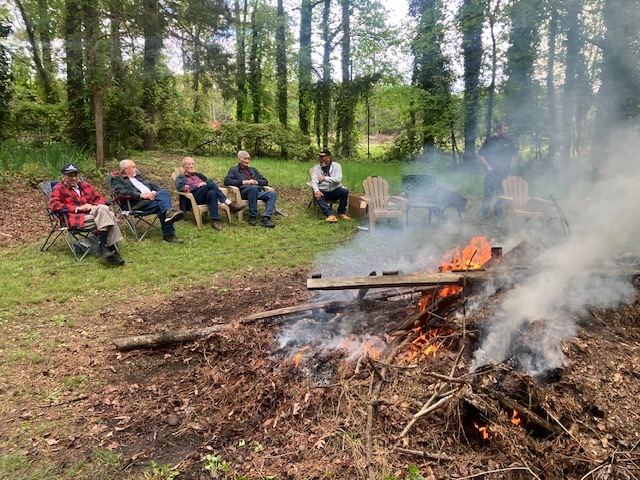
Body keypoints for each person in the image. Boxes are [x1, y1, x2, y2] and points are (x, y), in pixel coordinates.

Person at [49, 164, 125, 265]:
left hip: (93, 215)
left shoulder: (85, 185)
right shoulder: (58, 188)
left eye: (75, 175)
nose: (74, 178)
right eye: (70, 176)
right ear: (64, 177)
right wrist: (78, 208)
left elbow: (100, 198)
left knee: (103, 209)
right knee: (110, 216)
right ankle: (110, 248)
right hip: (75, 219)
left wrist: (93, 206)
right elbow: (54, 205)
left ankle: (103, 247)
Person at [111, 159, 184, 243]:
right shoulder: (117, 179)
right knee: (162, 205)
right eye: (133, 167)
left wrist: (157, 191)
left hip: (152, 199)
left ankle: (168, 214)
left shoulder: (138, 177)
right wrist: (141, 195)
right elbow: (121, 193)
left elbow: (153, 185)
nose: (135, 169)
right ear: (125, 169)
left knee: (163, 193)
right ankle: (169, 233)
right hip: (136, 204)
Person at [174, 157, 246, 231]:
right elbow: (180, 187)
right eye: (188, 164)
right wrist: (197, 186)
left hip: (204, 196)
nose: (191, 166)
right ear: (183, 166)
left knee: (212, 193)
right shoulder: (180, 178)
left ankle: (214, 221)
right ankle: (229, 203)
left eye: (192, 164)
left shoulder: (198, 175)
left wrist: (204, 185)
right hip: (193, 198)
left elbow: (208, 181)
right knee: (210, 184)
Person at [224, 151, 277, 227]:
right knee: (253, 188)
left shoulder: (253, 170)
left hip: (257, 192)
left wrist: (256, 182)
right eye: (245, 159)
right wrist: (243, 182)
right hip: (244, 192)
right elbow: (227, 181)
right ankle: (252, 216)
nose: (247, 161)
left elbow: (265, 181)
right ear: (239, 159)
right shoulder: (234, 170)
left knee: (272, 194)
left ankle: (266, 218)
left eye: (248, 159)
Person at [477, 122, 517, 218]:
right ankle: (483, 212)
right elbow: (480, 155)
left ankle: (498, 212)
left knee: (500, 194)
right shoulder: (490, 140)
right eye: (504, 129)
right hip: (492, 172)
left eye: (507, 130)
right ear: (498, 129)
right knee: (488, 193)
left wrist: (511, 168)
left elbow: (513, 156)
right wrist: (488, 166)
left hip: (504, 173)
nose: (506, 131)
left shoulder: (508, 141)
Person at [310, 147, 351, 223]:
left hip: (335, 190)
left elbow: (338, 179)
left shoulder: (337, 166)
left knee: (344, 191)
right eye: (320, 156)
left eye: (322, 156)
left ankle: (341, 212)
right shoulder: (317, 168)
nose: (320, 158)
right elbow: (314, 181)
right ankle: (330, 215)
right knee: (318, 196)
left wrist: (325, 178)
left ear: (328, 157)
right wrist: (316, 190)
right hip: (324, 191)